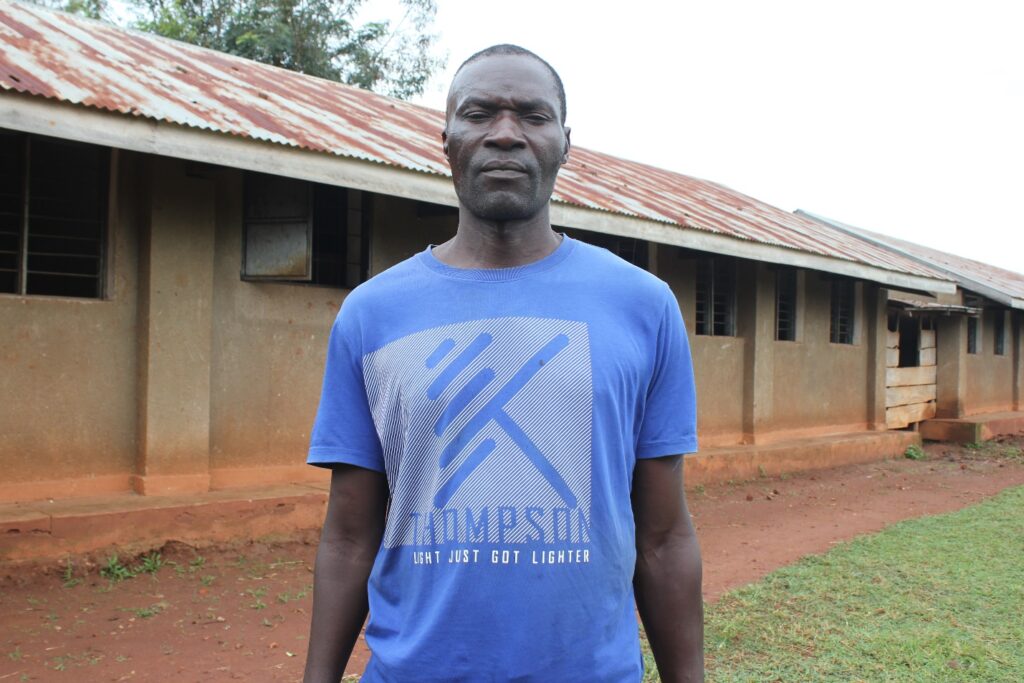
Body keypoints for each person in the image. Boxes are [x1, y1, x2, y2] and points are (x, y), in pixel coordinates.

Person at [303, 44, 703, 683]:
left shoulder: (643, 306)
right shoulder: (371, 314)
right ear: (447, 139)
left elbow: (662, 536)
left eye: (533, 116)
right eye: (480, 112)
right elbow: (349, 535)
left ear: (565, 142)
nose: (506, 134)